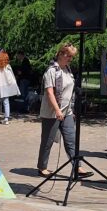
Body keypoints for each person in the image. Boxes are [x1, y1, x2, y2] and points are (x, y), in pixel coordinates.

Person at [37, 44, 77, 176]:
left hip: (67, 111)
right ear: (61, 54)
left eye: (72, 56)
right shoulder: (51, 71)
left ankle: (77, 166)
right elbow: (49, 93)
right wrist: (57, 110)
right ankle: (42, 167)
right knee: (48, 140)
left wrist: (70, 108)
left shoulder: (68, 70)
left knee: (71, 139)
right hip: (52, 112)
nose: (70, 59)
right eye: (68, 56)